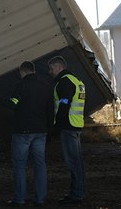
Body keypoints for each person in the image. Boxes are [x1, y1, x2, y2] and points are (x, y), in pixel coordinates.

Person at [0, 61, 53, 207]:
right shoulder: (45, 87)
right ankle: (40, 199)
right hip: (40, 131)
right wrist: (49, 129)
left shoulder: (21, 85)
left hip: (23, 131)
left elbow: (13, 103)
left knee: (20, 165)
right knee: (40, 165)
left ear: (22, 72)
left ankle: (20, 198)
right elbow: (50, 110)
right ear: (34, 71)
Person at [48, 55, 86, 206]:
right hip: (75, 125)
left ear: (58, 67)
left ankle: (77, 194)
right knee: (77, 162)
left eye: (51, 69)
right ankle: (77, 192)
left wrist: (56, 127)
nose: (50, 72)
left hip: (68, 127)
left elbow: (64, 104)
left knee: (73, 162)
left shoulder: (65, 82)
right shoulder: (77, 81)